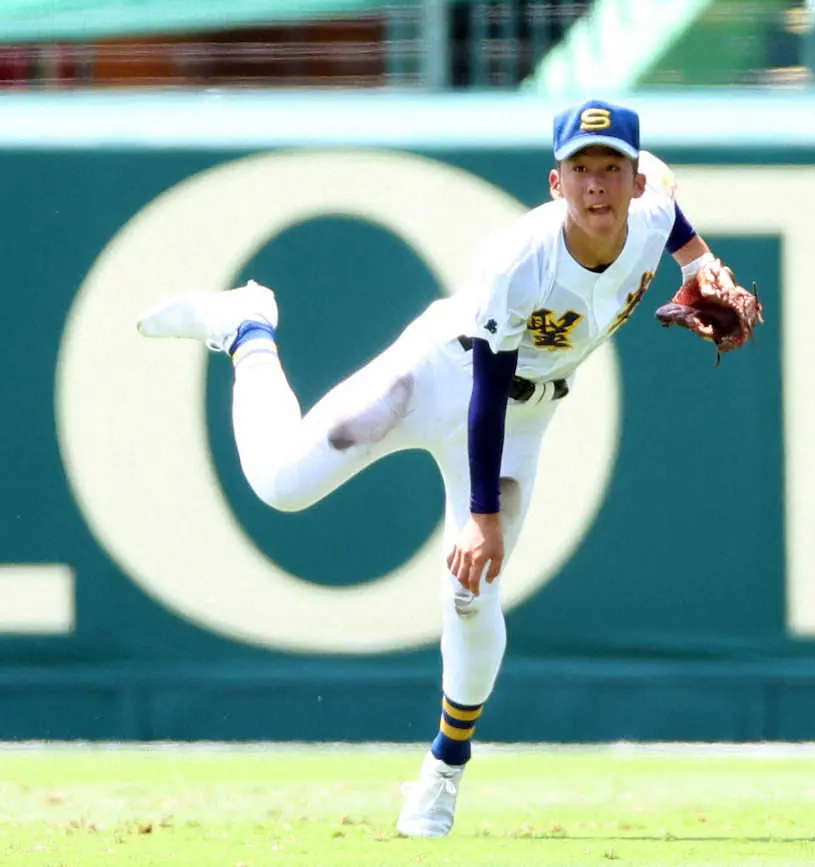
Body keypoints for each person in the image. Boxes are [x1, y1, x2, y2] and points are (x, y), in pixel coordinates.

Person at [136, 98, 728, 837]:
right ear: (555, 183)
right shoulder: (522, 257)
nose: (598, 186)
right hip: (447, 373)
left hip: (529, 418)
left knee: (471, 593)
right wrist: (481, 514)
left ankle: (443, 771)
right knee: (280, 483)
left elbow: (672, 209)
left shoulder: (651, 207)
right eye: (581, 169)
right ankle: (247, 327)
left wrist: (703, 267)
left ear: (636, 181)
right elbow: (486, 384)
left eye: (612, 169)